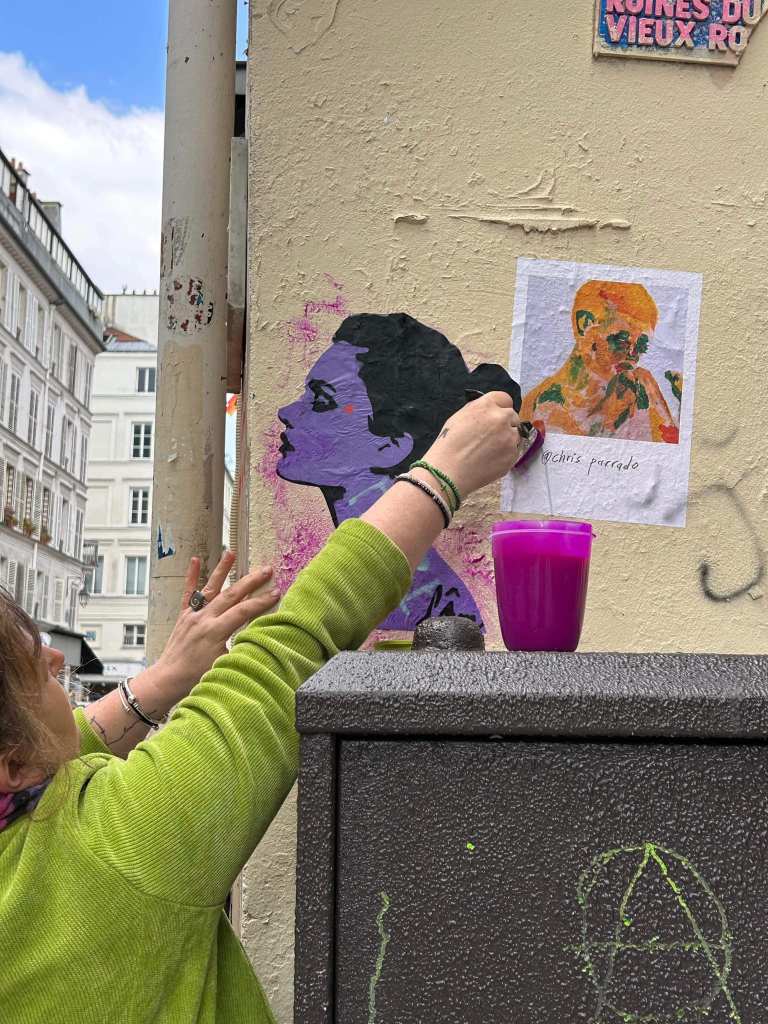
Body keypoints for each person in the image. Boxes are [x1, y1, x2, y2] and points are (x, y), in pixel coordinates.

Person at [0, 391, 521, 1023]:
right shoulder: (117, 845)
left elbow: (66, 741)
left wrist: (160, 683)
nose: (54, 659)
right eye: (29, 668)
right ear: (12, 765)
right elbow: (289, 649)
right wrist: (443, 475)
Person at [277, 312, 521, 629]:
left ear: (391, 445)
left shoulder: (431, 608)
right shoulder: (367, 585)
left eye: (322, 400)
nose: (286, 412)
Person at [519, 280, 679, 444]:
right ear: (585, 325)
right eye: (621, 341)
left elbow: (670, 449)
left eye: (641, 345)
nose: (633, 356)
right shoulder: (539, 407)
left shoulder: (642, 387)